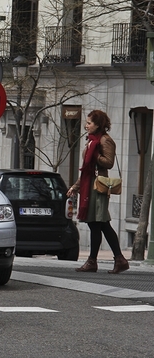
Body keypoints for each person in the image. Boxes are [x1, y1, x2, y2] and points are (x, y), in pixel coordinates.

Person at [67, 109, 128, 274]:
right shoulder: (92, 141)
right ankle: (97, 261)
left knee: (101, 223)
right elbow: (87, 170)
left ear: (98, 125)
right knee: (95, 224)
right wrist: (75, 187)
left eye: (89, 123)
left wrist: (95, 155)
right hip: (90, 184)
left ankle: (117, 259)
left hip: (99, 187)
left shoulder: (104, 141)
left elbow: (108, 163)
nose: (86, 126)